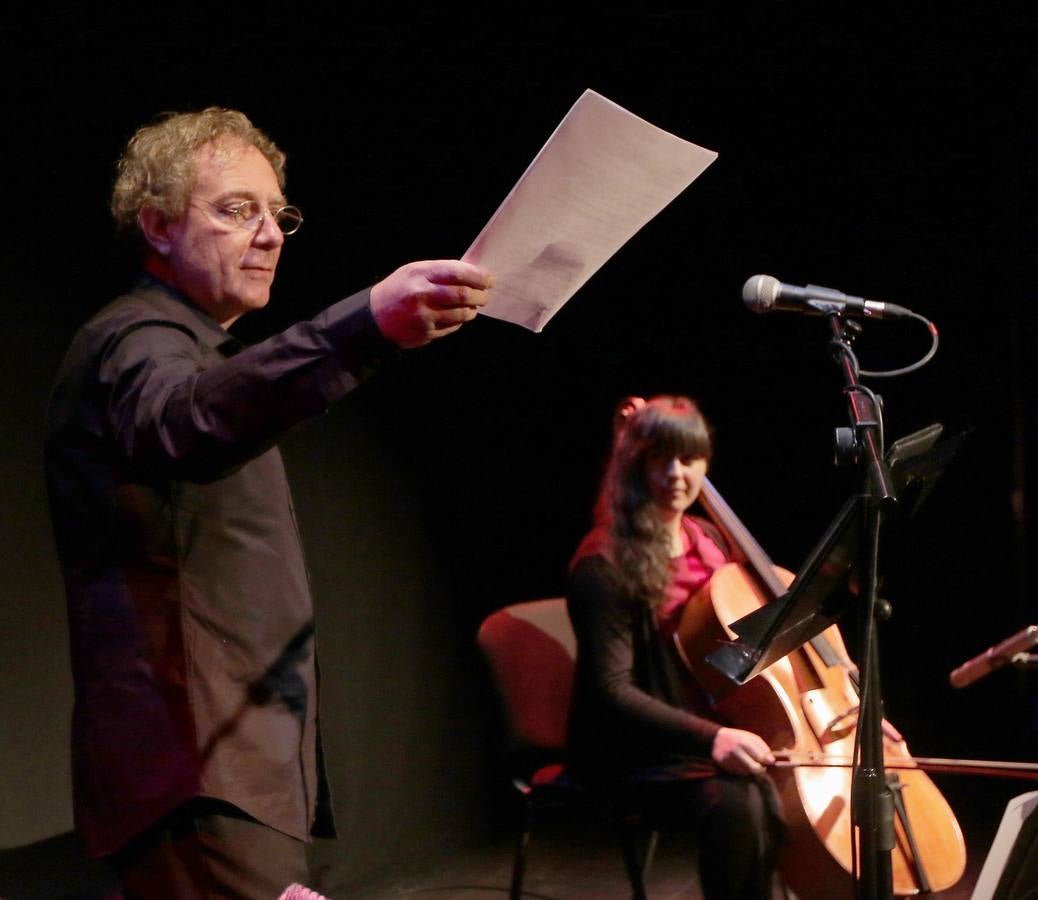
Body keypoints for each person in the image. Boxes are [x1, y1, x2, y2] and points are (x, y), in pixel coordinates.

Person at [44, 107, 491, 898]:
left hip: (226, 760)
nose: (270, 235)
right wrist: (364, 327)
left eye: (277, 215)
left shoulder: (189, 346)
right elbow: (187, 420)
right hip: (193, 765)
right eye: (236, 210)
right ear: (157, 225)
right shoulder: (135, 339)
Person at [565, 394, 783, 899]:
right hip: (637, 747)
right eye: (659, 458)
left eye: (688, 458)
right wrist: (712, 738)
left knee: (785, 786)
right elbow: (610, 691)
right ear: (635, 465)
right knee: (742, 803)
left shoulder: (707, 538)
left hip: (709, 723)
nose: (676, 473)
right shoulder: (602, 565)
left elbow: (760, 633)